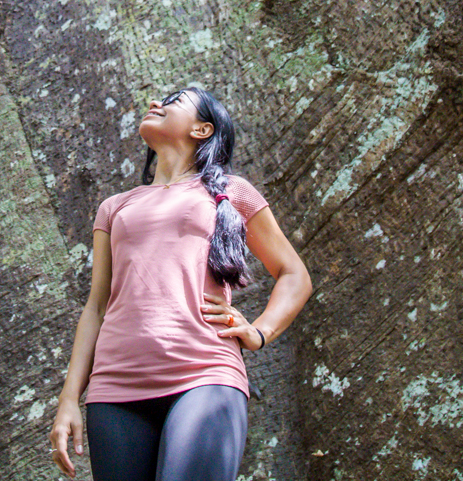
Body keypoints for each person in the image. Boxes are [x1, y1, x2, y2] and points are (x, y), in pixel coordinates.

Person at [50, 86, 313, 481]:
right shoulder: (114, 207)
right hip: (114, 390)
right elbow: (97, 307)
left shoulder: (232, 193)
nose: (155, 103)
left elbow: (295, 274)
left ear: (202, 130)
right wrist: (69, 398)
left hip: (205, 375)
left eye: (173, 102)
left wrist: (259, 332)